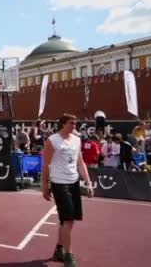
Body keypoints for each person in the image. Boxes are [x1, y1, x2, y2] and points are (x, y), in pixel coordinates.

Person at [41, 114, 93, 267]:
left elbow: (81, 162)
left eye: (75, 123)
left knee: (66, 220)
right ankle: (68, 255)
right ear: (63, 124)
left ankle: (58, 249)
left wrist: (88, 183)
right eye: (72, 123)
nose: (74, 126)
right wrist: (44, 185)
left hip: (74, 182)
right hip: (59, 183)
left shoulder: (77, 140)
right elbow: (45, 165)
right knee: (69, 220)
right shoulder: (52, 141)